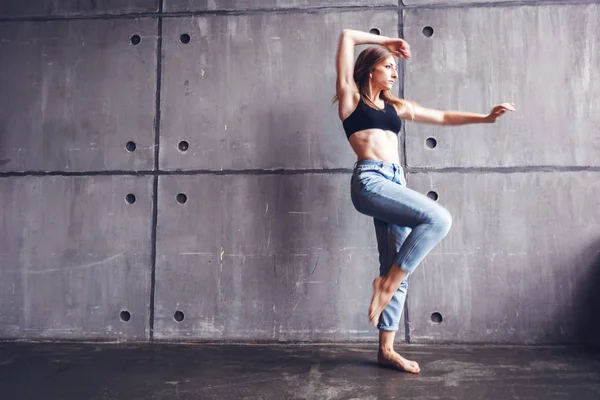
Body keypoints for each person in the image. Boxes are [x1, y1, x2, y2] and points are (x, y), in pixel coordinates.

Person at [335, 29, 515, 374]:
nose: (394, 71)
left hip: (395, 182)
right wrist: (386, 42)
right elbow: (345, 37)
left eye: (394, 67)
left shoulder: (395, 106)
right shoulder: (350, 99)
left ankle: (386, 349)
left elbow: (443, 117)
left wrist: (485, 118)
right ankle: (385, 285)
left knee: (398, 263)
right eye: (388, 66)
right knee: (438, 219)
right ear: (370, 69)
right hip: (370, 181)